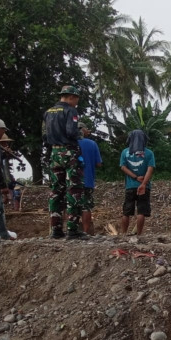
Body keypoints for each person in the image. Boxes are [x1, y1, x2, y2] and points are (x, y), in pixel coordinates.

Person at [43, 85, 86, 239]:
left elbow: (44, 135)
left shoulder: (48, 112)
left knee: (55, 191)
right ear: (71, 97)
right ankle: (73, 230)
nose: (76, 103)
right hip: (69, 152)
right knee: (74, 189)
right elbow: (71, 131)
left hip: (54, 153)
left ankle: (56, 230)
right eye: (76, 99)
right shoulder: (71, 111)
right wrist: (80, 133)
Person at [119, 130, 155, 235]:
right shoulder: (149, 153)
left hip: (130, 186)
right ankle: (139, 234)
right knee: (141, 211)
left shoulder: (125, 152)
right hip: (144, 187)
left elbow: (123, 167)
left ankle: (123, 234)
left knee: (126, 211)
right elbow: (150, 169)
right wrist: (143, 183)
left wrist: (134, 177)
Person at [77, 123, 102, 234]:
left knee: (72, 205)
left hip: (72, 181)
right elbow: (99, 164)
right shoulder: (92, 144)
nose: (88, 131)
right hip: (87, 180)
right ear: (81, 129)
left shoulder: (69, 143)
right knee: (86, 207)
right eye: (86, 128)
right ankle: (86, 231)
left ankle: (72, 230)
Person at [0, 119, 12, 240]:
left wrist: (5, 154)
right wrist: (3, 185)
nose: (3, 132)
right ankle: (1, 236)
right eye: (3, 130)